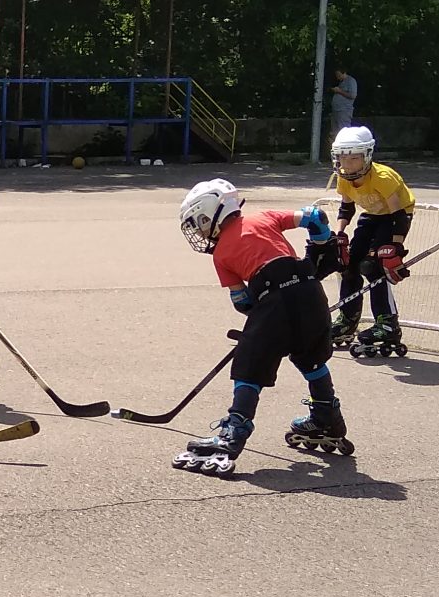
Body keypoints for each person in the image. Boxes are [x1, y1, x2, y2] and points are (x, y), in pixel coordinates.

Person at [172, 178, 347, 475]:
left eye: (198, 224)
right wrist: (321, 250)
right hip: (311, 293)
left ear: (208, 215)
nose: (200, 232)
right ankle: (327, 417)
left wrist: (260, 327)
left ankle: (233, 432)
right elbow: (315, 218)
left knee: (250, 364)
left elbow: (242, 302)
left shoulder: (220, 254)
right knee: (311, 358)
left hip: (273, 299)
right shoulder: (264, 217)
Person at [327, 124, 415, 356]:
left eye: (354, 159)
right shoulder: (343, 178)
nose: (347, 165)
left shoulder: (383, 177)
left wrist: (395, 247)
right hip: (372, 215)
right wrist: (340, 235)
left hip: (394, 217)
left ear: (366, 156)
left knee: (374, 267)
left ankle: (387, 324)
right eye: (342, 159)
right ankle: (347, 319)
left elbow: (398, 214)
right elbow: (346, 209)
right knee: (348, 266)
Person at [328, 64, 359, 135]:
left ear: (344, 73)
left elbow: (353, 95)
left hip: (344, 111)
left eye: (339, 75)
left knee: (344, 132)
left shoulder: (351, 81)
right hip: (336, 111)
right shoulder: (341, 82)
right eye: (336, 75)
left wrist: (339, 91)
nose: (337, 77)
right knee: (334, 132)